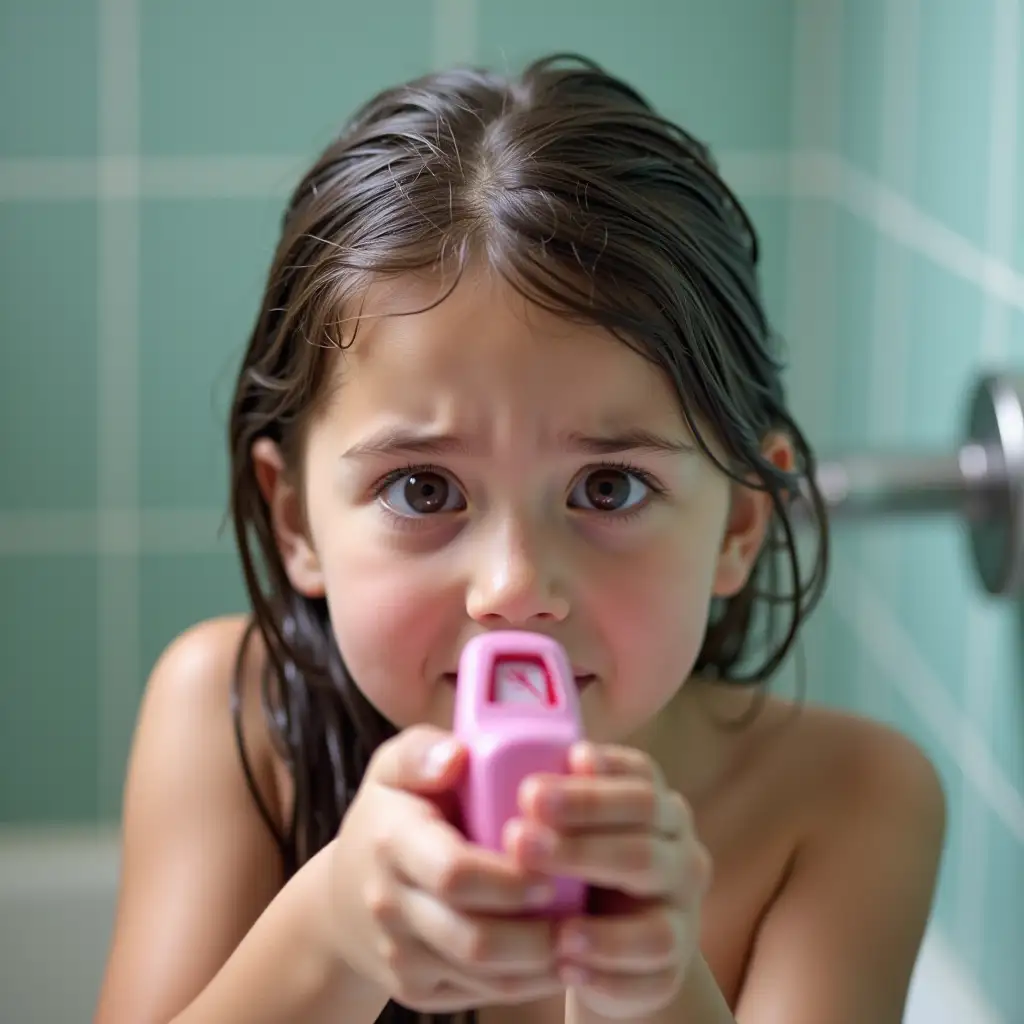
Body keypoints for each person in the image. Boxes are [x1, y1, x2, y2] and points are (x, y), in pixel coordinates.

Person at [94, 53, 946, 1024]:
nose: (514, 588)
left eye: (607, 486)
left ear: (739, 526)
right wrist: (325, 935)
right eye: (424, 488)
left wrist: (654, 986)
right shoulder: (234, 713)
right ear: (297, 523)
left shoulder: (847, 800)